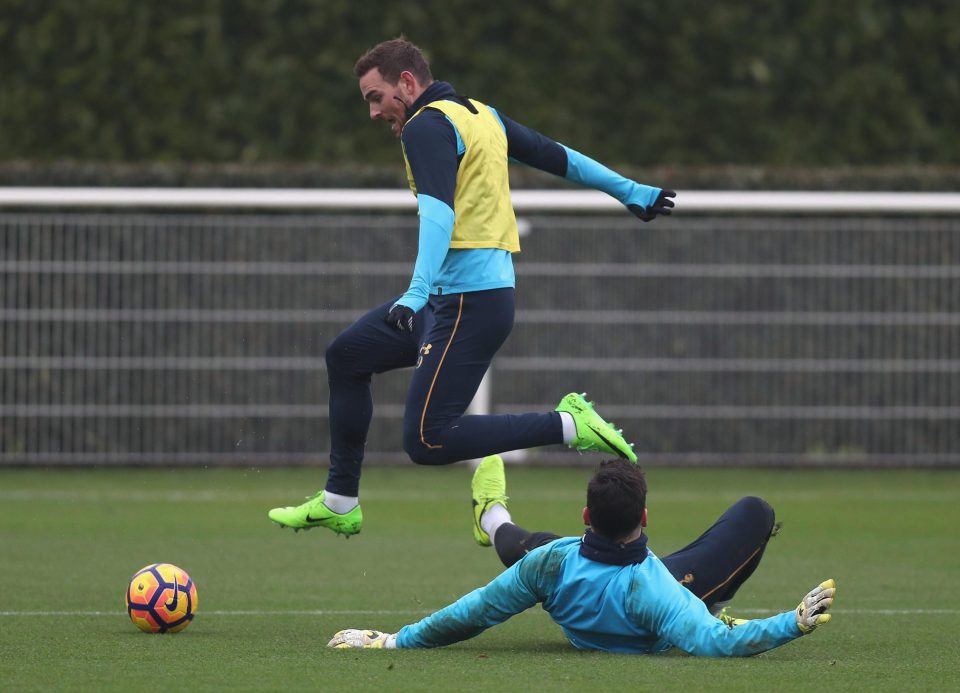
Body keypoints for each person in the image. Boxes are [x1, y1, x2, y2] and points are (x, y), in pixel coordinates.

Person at [268, 37, 676, 538]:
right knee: (347, 356)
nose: (373, 112)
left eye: (376, 98)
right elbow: (558, 156)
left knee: (426, 439)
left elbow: (438, 213)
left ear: (408, 83)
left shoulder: (425, 125)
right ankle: (339, 500)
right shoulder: (480, 114)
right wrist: (631, 191)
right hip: (454, 300)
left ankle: (568, 424)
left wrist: (414, 294)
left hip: (466, 304)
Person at [327, 456, 837, 654]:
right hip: (678, 593)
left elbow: (475, 612)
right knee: (756, 511)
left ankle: (491, 516)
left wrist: (395, 641)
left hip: (576, 579)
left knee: (524, 544)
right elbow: (712, 645)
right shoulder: (655, 591)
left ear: (586, 516)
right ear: (645, 519)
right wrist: (790, 623)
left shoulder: (551, 564)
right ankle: (715, 601)